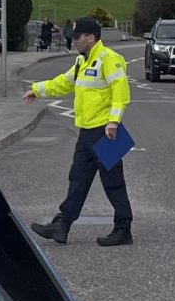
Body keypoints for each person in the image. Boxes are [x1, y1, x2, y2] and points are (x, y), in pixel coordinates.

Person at [27, 17, 132, 247]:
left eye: (77, 37)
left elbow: (120, 93)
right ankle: (62, 226)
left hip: (105, 131)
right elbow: (63, 83)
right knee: (78, 180)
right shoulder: (81, 62)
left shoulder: (109, 59)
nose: (73, 41)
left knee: (113, 182)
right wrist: (37, 89)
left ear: (90, 38)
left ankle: (123, 229)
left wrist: (113, 122)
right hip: (86, 132)